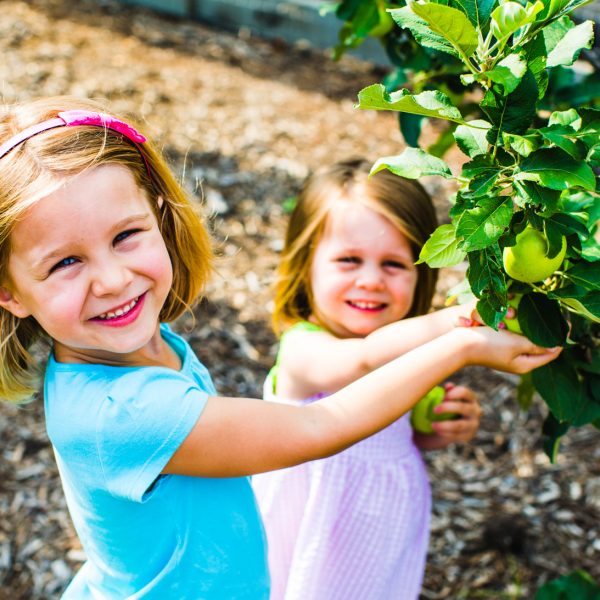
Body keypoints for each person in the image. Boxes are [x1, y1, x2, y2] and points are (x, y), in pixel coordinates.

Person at [0, 98, 560, 600]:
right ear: (9, 292)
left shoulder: (138, 344)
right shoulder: (120, 413)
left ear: (161, 218)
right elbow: (321, 427)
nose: (114, 279)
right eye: (65, 262)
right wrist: (458, 344)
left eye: (126, 237)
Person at [250, 159, 500, 599]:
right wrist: (460, 324)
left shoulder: (408, 355)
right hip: (308, 531)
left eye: (393, 264)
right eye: (348, 260)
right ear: (306, 265)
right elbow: (361, 360)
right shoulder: (304, 351)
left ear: (422, 272)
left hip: (378, 533)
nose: (370, 281)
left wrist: (436, 427)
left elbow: (392, 437)